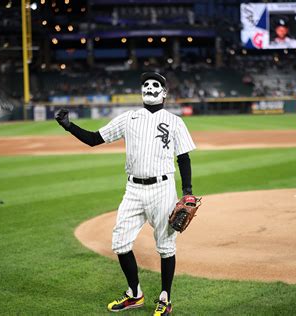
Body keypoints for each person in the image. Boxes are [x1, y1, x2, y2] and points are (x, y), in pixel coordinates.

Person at [55, 72, 196, 315]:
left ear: (164, 93)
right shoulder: (128, 118)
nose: (149, 87)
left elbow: (183, 157)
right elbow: (94, 139)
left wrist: (187, 192)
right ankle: (135, 294)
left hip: (163, 188)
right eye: (146, 84)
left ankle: (165, 298)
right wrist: (69, 126)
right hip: (133, 189)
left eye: (156, 84)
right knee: (120, 242)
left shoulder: (175, 121)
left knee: (165, 246)